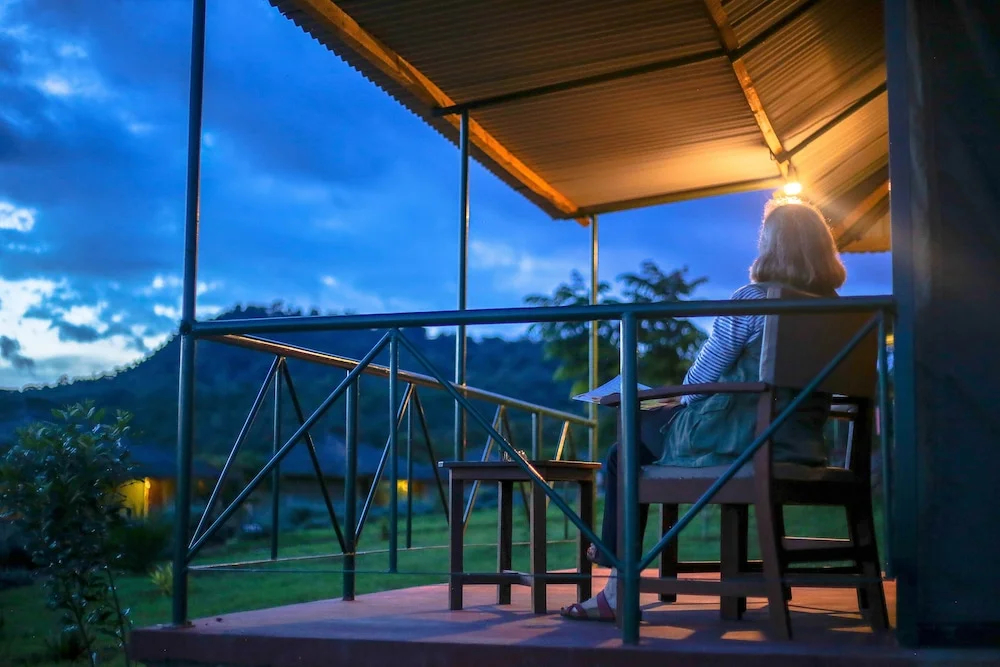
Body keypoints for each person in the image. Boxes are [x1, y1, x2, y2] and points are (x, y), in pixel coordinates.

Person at [560, 198, 847, 621]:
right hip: (799, 444)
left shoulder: (753, 300)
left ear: (770, 246)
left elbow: (700, 380)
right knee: (631, 447)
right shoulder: (840, 312)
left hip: (735, 441)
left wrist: (670, 398)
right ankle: (612, 567)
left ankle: (614, 578)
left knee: (626, 442)